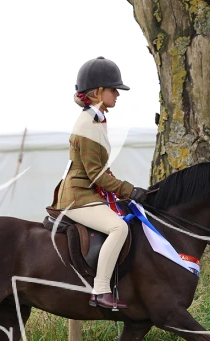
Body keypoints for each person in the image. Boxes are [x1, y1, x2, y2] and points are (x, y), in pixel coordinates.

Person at [52, 56, 147, 309]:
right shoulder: (87, 125)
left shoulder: (96, 120)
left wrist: (125, 192)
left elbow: (102, 169)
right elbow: (96, 174)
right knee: (119, 228)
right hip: (78, 195)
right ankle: (101, 290)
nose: (117, 94)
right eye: (113, 89)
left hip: (87, 192)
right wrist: (130, 190)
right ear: (97, 92)